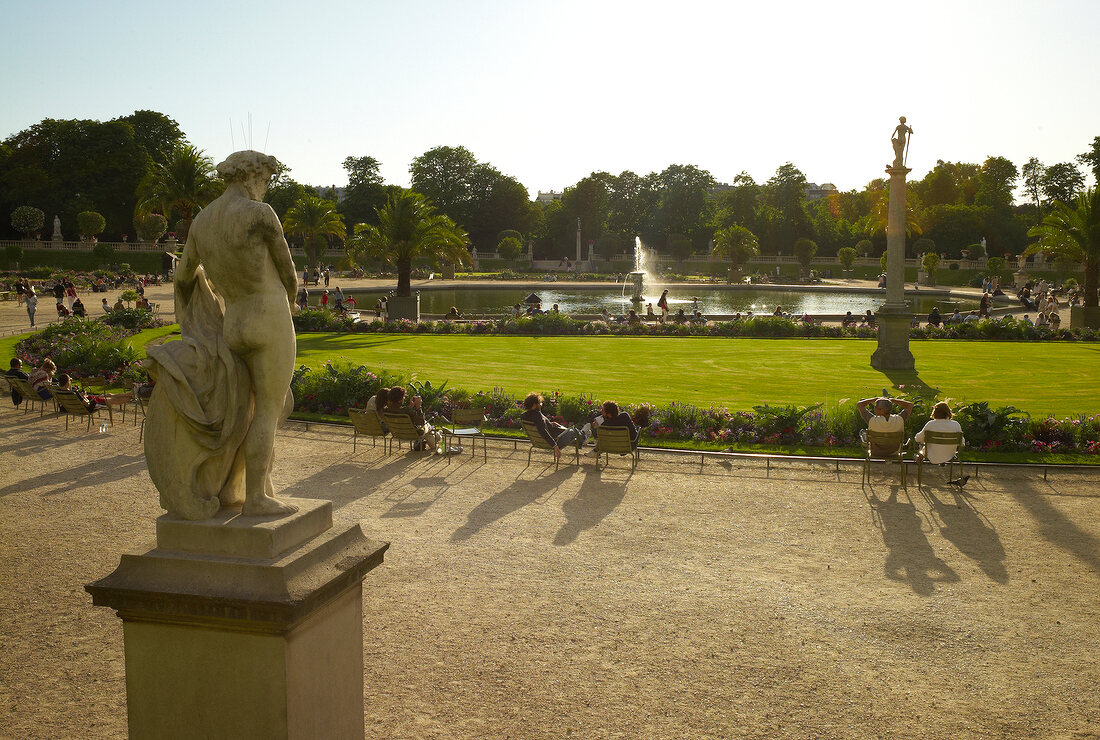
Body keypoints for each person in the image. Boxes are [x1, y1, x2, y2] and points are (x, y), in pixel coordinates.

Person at [144, 149, 300, 519]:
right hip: (268, 317)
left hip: (234, 324)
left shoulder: (202, 221)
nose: (266, 188)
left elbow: (183, 278)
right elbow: (289, 274)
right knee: (267, 410)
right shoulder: (260, 214)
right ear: (253, 176)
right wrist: (288, 305)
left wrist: (201, 315)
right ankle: (257, 497)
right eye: (266, 181)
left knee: (244, 408)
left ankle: (239, 483)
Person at [521, 392, 590, 460]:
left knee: (569, 430)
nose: (541, 404)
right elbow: (542, 432)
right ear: (534, 405)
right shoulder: (537, 416)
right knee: (573, 431)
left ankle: (582, 435)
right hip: (556, 441)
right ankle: (583, 436)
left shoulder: (524, 416)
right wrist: (555, 446)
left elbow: (539, 425)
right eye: (539, 402)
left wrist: (549, 424)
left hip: (538, 442)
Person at [385, 386, 442, 452]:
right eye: (404, 397)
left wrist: (410, 407)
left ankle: (437, 435)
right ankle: (437, 437)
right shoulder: (406, 410)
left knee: (428, 428)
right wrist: (418, 406)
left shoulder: (386, 410)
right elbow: (421, 422)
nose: (404, 398)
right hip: (413, 434)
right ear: (400, 399)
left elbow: (401, 411)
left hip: (398, 433)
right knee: (427, 425)